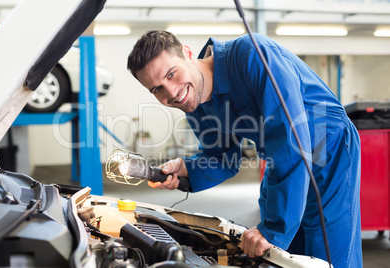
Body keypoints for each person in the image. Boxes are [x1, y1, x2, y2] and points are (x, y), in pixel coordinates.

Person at [127, 30, 362, 268]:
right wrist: (188, 168)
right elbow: (222, 159)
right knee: (285, 255)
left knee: (326, 250)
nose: (171, 92)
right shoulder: (197, 105)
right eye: (157, 89)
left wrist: (273, 228)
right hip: (280, 155)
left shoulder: (251, 55)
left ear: (187, 53)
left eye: (171, 74)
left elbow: (290, 137)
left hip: (325, 142)